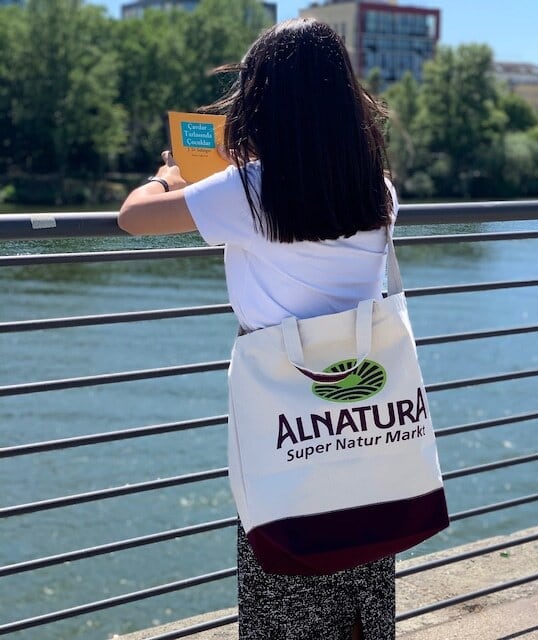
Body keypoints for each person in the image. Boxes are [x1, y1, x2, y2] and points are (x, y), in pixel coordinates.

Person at [118, 18, 398, 640]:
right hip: (364, 403)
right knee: (361, 542)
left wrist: (170, 175)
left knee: (282, 546)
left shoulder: (246, 191)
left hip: (281, 404)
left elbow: (133, 217)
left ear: (262, 100)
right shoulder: (377, 189)